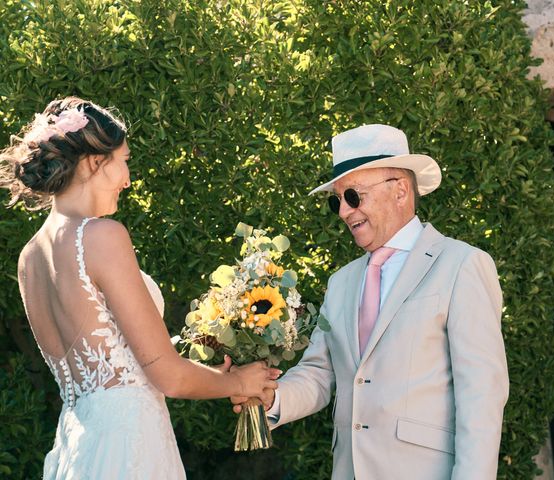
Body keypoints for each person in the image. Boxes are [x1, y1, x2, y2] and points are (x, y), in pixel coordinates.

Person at [0, 97, 279, 479]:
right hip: (129, 444)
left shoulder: (28, 259)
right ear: (95, 162)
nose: (128, 179)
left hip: (77, 446)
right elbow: (168, 375)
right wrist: (238, 381)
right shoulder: (102, 236)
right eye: (124, 160)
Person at [233, 124, 509, 479]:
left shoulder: (462, 265)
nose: (344, 212)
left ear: (400, 191)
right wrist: (271, 397)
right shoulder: (341, 282)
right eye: (337, 201)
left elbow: (482, 395)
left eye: (353, 197)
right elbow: (320, 373)